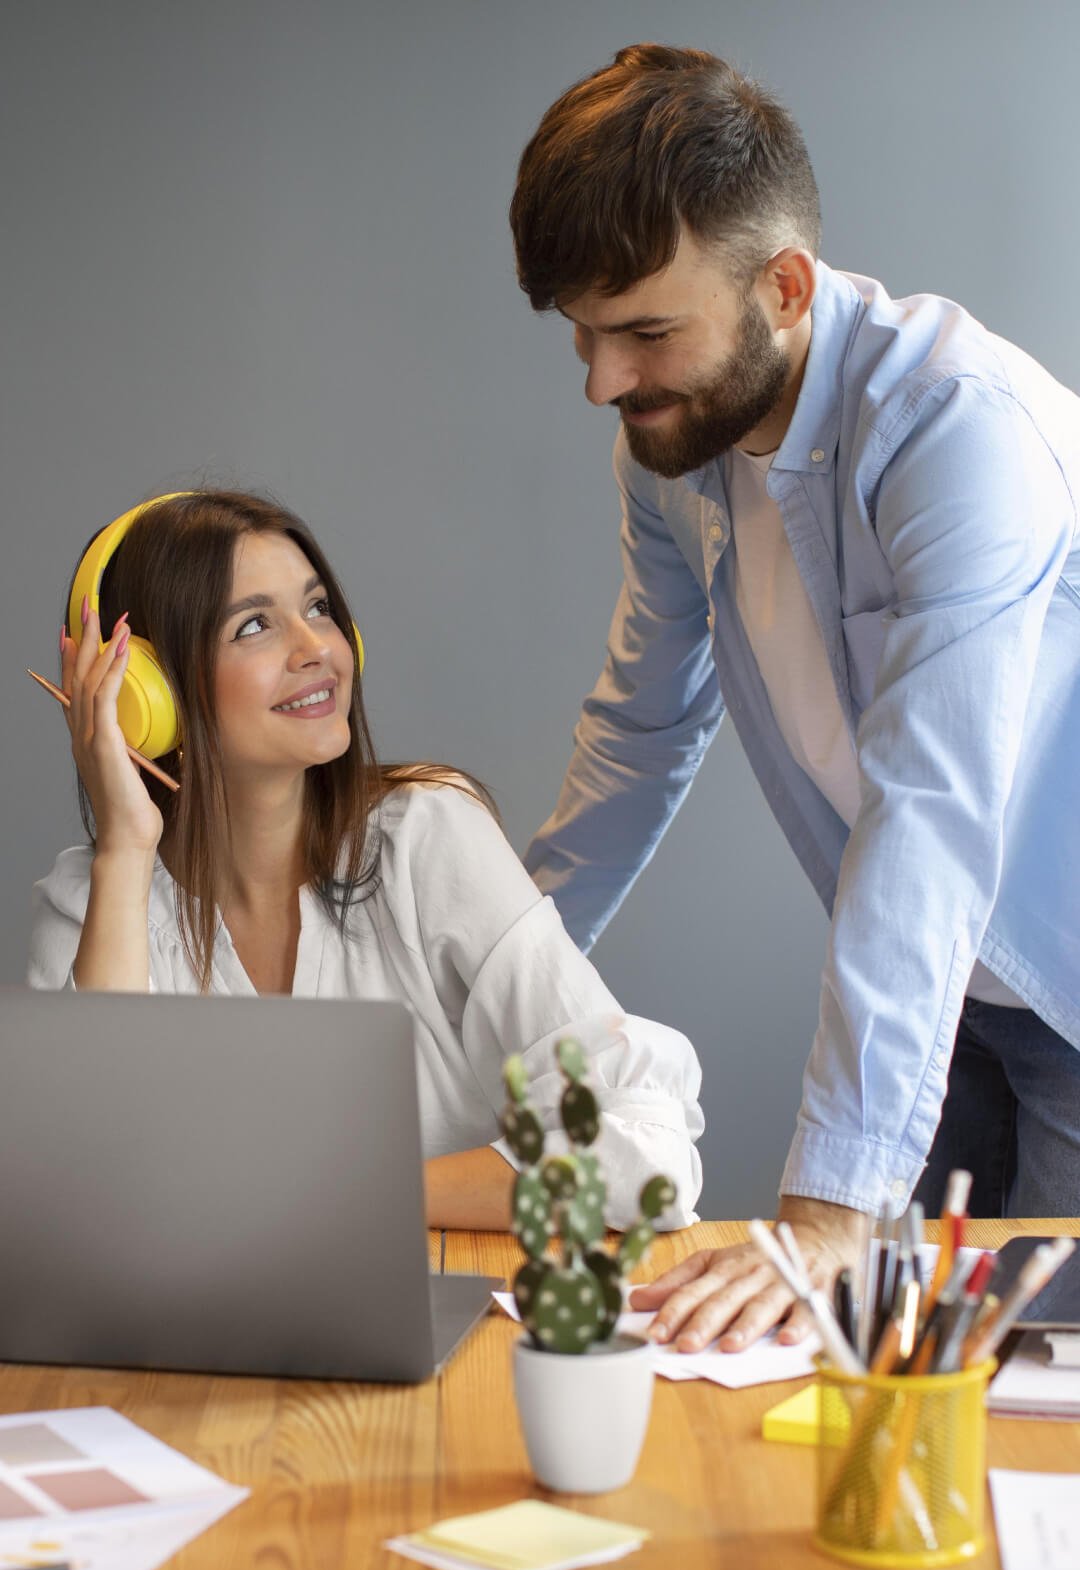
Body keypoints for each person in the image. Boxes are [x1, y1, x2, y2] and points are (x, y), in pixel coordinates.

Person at [509, 44, 1080, 1351]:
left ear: (784, 286)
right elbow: (642, 729)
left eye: (645, 332)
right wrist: (495, 995)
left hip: (1063, 985)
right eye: (584, 332)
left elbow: (930, 810)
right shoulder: (670, 454)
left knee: (1042, 1398)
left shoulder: (957, 429)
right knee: (900, 1384)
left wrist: (828, 1211)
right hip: (946, 1002)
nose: (603, 381)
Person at [28, 489, 704, 1231]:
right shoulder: (98, 898)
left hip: (455, 1295)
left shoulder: (427, 838)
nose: (316, 648)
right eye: (254, 625)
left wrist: (335, 1197)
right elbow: (82, 1199)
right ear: (146, 695)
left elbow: (644, 1149)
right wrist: (126, 848)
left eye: (318, 608)